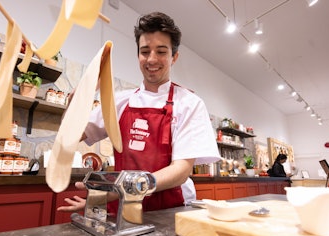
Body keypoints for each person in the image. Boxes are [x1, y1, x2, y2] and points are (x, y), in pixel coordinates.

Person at [57, 12, 220, 213]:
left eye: (161, 51)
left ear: (174, 57)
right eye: (145, 51)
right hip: (125, 207)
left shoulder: (189, 103)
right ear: (138, 56)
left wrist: (114, 193)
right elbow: (68, 137)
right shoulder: (119, 101)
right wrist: (75, 103)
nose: (151, 59)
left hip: (172, 210)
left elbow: (181, 172)